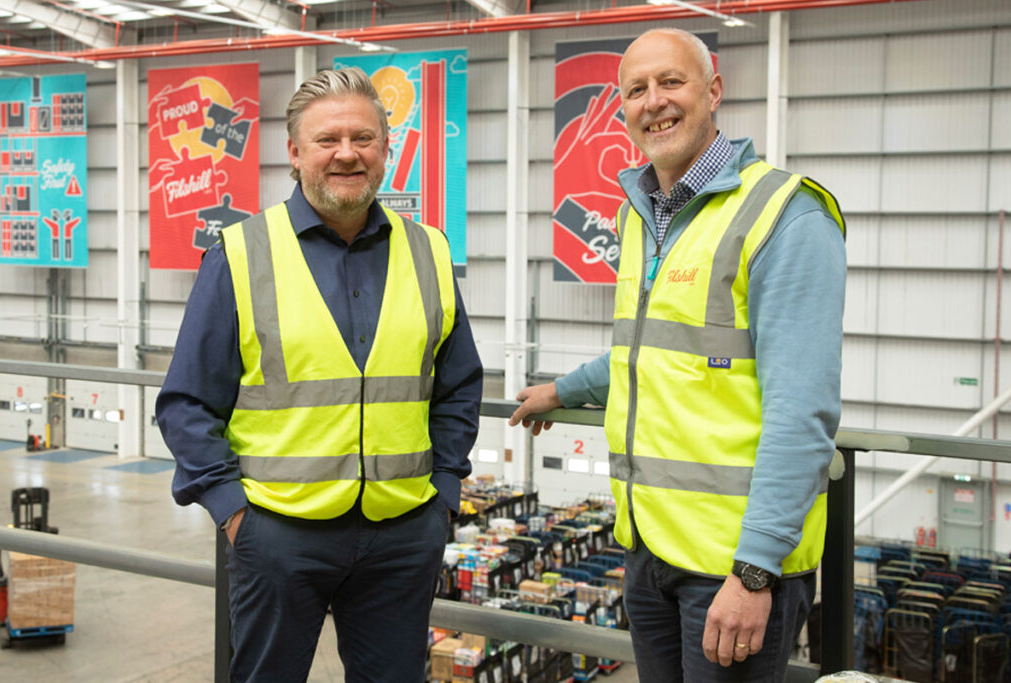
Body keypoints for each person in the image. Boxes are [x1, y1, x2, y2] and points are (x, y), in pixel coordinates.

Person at [510, 28, 845, 682]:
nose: (654, 101)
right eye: (636, 89)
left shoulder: (785, 214)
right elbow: (652, 354)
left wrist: (755, 570)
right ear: (622, 109)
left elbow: (802, 414)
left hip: (735, 568)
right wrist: (564, 389)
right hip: (650, 551)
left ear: (714, 90)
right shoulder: (644, 216)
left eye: (672, 82)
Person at [156, 67, 483, 683]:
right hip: (278, 535)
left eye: (363, 138)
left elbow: (459, 383)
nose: (346, 154)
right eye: (327, 139)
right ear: (295, 152)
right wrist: (233, 514)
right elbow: (186, 403)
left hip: (403, 532)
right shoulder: (240, 254)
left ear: (386, 150)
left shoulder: (429, 250)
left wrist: (441, 491)